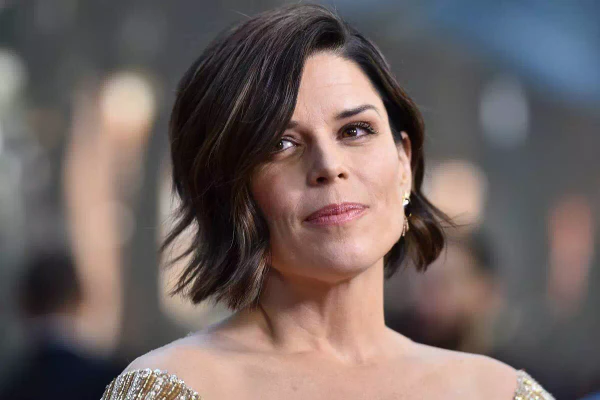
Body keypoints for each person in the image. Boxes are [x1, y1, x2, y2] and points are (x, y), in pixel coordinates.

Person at [101, 4, 553, 399]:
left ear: (403, 161)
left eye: (355, 130)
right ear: (228, 189)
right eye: (280, 144)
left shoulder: (500, 391)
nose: (328, 166)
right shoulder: (176, 388)